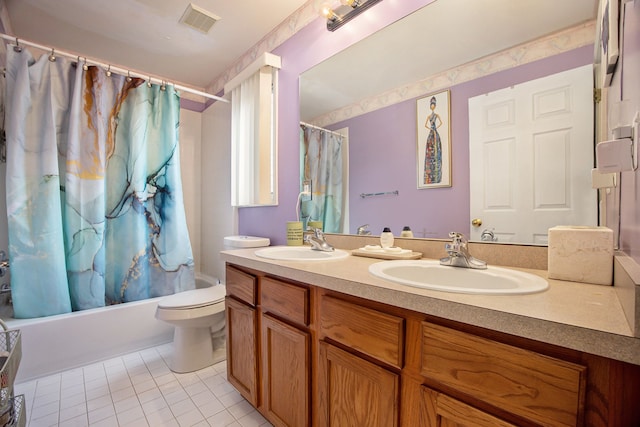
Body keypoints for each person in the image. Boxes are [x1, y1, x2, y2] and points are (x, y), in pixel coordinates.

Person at [423, 96, 443, 184]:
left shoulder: (437, 115)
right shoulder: (429, 116)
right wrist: (431, 129)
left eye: (433, 105)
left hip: (435, 133)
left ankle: (437, 176)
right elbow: (425, 125)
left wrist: (435, 128)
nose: (432, 106)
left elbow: (441, 123)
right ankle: (429, 177)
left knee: (436, 151)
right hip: (431, 133)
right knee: (429, 151)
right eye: (431, 105)